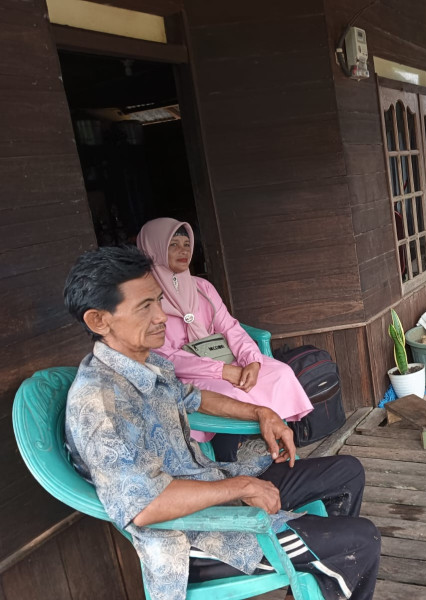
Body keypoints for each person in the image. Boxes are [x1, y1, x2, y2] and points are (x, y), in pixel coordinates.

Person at [63, 245, 380, 600]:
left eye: (158, 301)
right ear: (98, 321)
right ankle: (324, 559)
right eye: (145, 306)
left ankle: (317, 574)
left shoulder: (148, 364)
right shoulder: (99, 403)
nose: (161, 316)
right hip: (198, 538)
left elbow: (194, 397)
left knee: (346, 473)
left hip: (214, 487)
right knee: (361, 540)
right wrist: (242, 487)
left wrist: (260, 412)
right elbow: (146, 506)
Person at [136, 218, 313, 461]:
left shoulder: (202, 287)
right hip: (185, 373)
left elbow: (229, 327)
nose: (183, 251)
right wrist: (221, 371)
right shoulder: (145, 298)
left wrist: (252, 361)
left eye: (187, 245)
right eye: (173, 245)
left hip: (221, 358)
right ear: (153, 248)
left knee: (279, 373)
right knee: (231, 393)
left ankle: (278, 444)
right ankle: (227, 457)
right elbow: (164, 356)